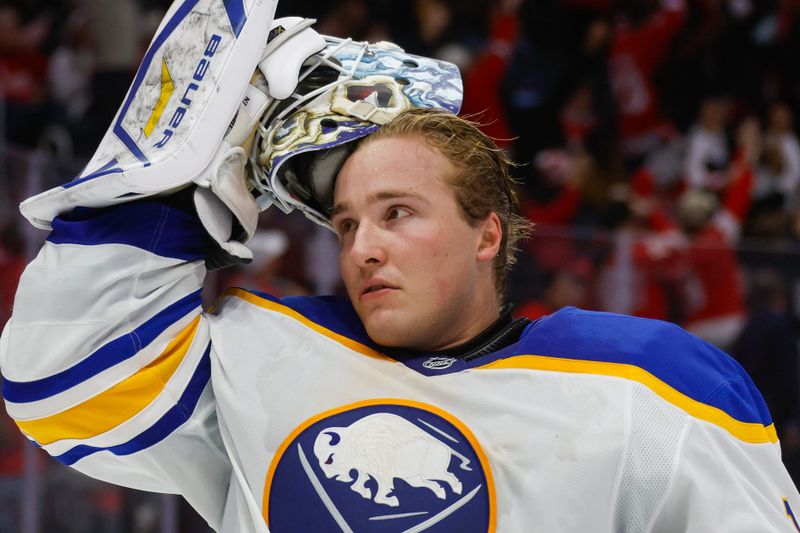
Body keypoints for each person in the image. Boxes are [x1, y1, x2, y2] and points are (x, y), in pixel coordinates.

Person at [1, 4, 799, 533]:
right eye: (346, 222)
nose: (362, 247)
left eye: (398, 214)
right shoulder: (266, 351)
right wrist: (179, 175)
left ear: (488, 233)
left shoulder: (649, 383)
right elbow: (63, 381)